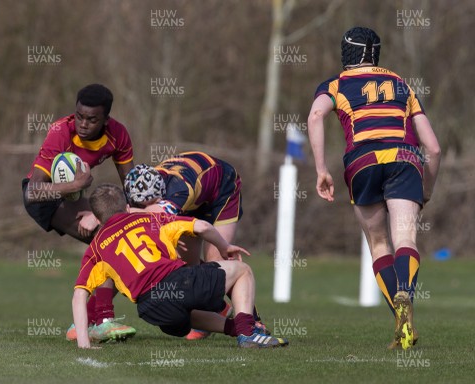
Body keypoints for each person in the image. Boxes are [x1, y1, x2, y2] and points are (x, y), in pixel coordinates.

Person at [307, 27, 441, 350]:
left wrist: (321, 169)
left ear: (347, 53)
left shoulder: (335, 84)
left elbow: (315, 116)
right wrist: (426, 188)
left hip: (362, 161)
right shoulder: (402, 84)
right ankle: (406, 295)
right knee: (406, 238)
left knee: (380, 243)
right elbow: (433, 148)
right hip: (405, 158)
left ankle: (400, 317)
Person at [72, 183, 289, 349]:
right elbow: (202, 226)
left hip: (151, 309)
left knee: (186, 311)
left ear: (99, 219)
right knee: (243, 271)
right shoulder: (151, 219)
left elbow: (79, 296)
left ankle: (234, 329)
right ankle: (248, 333)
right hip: (178, 282)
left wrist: (84, 345)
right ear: (128, 207)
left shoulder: (96, 248)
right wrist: (224, 247)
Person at [22, 84, 136, 342]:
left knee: (121, 244)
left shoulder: (118, 135)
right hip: (45, 198)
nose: (83, 124)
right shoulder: (61, 132)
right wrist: (75, 185)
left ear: (106, 119)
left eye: (92, 119)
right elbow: (32, 191)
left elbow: (130, 185)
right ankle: (101, 320)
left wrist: (103, 214)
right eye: (79, 116)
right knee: (108, 243)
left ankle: (85, 321)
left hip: (75, 196)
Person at [122, 152, 268, 340]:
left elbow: (150, 217)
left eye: (149, 204)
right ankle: (216, 314)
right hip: (196, 192)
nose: (144, 208)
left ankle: (253, 323)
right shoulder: (140, 184)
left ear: (160, 196)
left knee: (217, 263)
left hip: (222, 189)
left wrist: (223, 246)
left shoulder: (179, 190)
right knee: (188, 269)